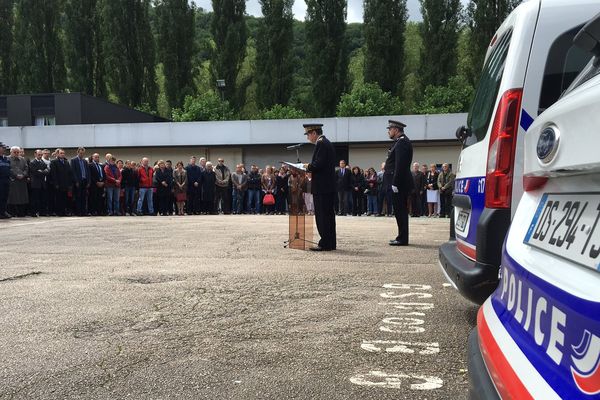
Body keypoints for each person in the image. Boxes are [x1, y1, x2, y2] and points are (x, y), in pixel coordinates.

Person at [303, 123, 336, 251]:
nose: (308, 138)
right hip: (327, 186)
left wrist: (307, 166)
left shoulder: (321, 143)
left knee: (323, 216)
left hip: (322, 187)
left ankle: (325, 243)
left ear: (314, 133)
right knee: (328, 216)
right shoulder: (326, 142)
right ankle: (330, 242)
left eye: (308, 135)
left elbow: (318, 164)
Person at [384, 120, 414, 246]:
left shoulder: (402, 142)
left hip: (399, 183)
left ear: (396, 130)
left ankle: (402, 238)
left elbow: (400, 165)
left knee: (400, 211)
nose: (388, 132)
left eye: (390, 129)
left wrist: (395, 182)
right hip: (397, 182)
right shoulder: (399, 142)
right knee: (399, 211)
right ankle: (401, 236)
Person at [50, 148, 73, 216]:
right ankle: (59, 212)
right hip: (58, 184)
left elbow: (69, 173)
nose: (62, 154)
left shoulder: (66, 162)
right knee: (58, 198)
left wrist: (69, 184)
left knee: (65, 199)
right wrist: (56, 183)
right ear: (57, 154)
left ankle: (64, 211)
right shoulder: (54, 162)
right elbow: (53, 174)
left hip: (66, 184)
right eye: (61, 153)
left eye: (63, 153)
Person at [29, 150, 49, 217]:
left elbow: (47, 171)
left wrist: (42, 171)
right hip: (35, 184)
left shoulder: (42, 162)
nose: (40, 156)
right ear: (35, 154)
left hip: (42, 183)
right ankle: (33, 212)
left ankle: (42, 212)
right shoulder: (32, 162)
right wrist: (43, 172)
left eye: (41, 155)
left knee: (43, 199)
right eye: (39, 155)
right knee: (35, 199)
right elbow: (35, 172)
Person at [70, 147, 89, 216]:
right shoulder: (73, 160)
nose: (81, 154)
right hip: (78, 181)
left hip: (84, 181)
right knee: (78, 197)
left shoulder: (84, 161)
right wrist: (76, 181)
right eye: (80, 153)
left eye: (83, 153)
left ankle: (83, 211)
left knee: (84, 197)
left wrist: (88, 181)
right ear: (77, 152)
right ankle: (78, 212)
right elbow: (73, 171)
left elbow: (87, 171)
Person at [0, 143, 11, 219]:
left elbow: (9, 169)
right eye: (3, 148)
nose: (5, 149)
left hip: (6, 180)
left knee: (4, 197)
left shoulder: (6, 158)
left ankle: (3, 211)